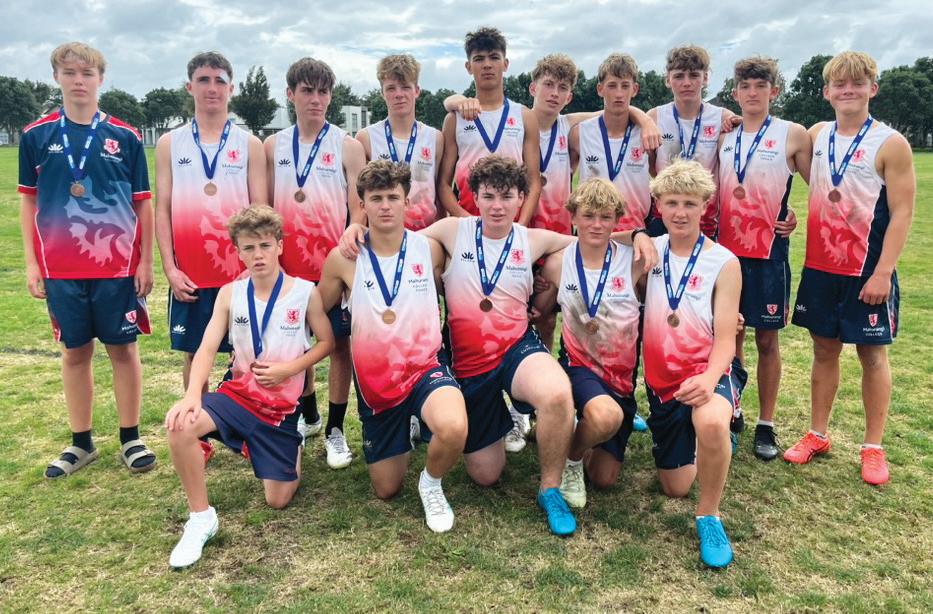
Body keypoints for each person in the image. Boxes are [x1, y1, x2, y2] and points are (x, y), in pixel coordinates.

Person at [341, 155, 656, 536]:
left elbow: (594, 236)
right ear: (474, 197)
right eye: (488, 196)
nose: (497, 206)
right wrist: (356, 228)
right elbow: (395, 239)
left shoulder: (533, 239)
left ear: (521, 198)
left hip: (516, 349)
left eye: (507, 196)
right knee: (486, 474)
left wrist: (637, 234)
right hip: (469, 365)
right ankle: (502, 420)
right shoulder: (451, 231)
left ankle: (551, 489)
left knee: (557, 393)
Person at [165, 206, 334, 569]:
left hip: (280, 412)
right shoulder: (230, 294)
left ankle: (287, 446)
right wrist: (192, 395)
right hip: (238, 397)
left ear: (279, 246)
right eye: (249, 248)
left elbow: (326, 342)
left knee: (278, 500)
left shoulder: (305, 293)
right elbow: (206, 347)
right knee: (180, 425)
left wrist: (290, 369)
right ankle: (201, 518)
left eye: (265, 245)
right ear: (238, 252)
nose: (258, 255)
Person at [19, 42, 156, 478]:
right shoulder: (36, 135)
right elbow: (28, 202)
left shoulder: (125, 136)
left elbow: (143, 203)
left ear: (101, 79)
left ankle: (131, 437)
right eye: (70, 72)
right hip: (61, 267)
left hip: (117, 266)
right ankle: (81, 443)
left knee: (124, 350)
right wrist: (32, 263)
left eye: (87, 73)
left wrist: (145, 262)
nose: (79, 81)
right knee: (75, 353)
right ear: (56, 77)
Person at [785, 51, 915, 486]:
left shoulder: (891, 143)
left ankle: (873, 447)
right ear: (827, 92)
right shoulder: (817, 134)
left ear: (872, 89)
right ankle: (818, 434)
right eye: (839, 84)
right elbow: (816, 184)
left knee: (872, 355)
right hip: (822, 267)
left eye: (857, 83)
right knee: (824, 351)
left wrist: (883, 272)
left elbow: (903, 212)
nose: (848, 91)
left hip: (867, 271)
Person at [318, 160, 468, 532]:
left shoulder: (430, 249)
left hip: (424, 368)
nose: (385, 206)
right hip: (377, 385)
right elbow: (316, 311)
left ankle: (431, 484)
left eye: (393, 197)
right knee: (386, 489)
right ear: (362, 205)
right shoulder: (343, 259)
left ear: (407, 202)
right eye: (376, 198)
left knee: (453, 427)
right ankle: (407, 424)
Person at [641, 160, 745, 568]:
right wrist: (635, 234)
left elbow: (726, 339)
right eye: (671, 203)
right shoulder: (649, 249)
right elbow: (598, 239)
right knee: (675, 486)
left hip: (708, 369)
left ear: (705, 205)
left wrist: (709, 377)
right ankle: (709, 442)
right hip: (663, 383)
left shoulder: (724, 262)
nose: (680, 212)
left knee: (711, 421)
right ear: (658, 206)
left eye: (689, 203)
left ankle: (709, 517)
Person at [263, 57, 366, 468]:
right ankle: (308, 416)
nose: (316, 99)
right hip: (288, 269)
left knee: (339, 346)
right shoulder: (272, 146)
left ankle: (336, 429)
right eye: (307, 91)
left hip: (332, 269)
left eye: (323, 91)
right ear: (291, 94)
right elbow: (265, 209)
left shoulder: (347, 146)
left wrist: (352, 228)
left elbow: (359, 208)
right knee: (294, 342)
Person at [716, 57, 811, 460]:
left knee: (767, 339)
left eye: (760, 86)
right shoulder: (725, 135)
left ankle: (766, 424)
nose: (752, 93)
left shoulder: (793, 134)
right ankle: (733, 409)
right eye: (745, 86)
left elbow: (820, 186)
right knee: (730, 334)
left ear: (774, 91)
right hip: (727, 254)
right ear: (735, 93)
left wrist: (795, 215)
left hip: (769, 254)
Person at [155, 51, 266, 394]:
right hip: (191, 274)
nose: (212, 88)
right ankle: (196, 421)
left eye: (220, 81)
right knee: (194, 355)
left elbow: (261, 212)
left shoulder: (250, 144)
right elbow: (162, 210)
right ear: (190, 86)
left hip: (239, 273)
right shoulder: (169, 143)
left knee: (247, 355)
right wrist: (170, 269)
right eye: (203, 80)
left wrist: (254, 268)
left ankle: (242, 418)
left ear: (231, 88)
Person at [533, 178, 647, 508]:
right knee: (605, 417)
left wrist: (640, 234)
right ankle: (570, 459)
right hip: (578, 367)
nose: (596, 224)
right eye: (588, 215)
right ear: (573, 217)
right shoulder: (558, 263)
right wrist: (536, 296)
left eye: (605, 217)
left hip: (621, 380)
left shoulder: (634, 261)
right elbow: (539, 311)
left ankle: (577, 433)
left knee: (604, 478)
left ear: (617, 221)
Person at [436, 26, 541, 224]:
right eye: (479, 59)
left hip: (512, 225)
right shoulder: (454, 119)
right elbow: (443, 185)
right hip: (469, 224)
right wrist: (470, 223)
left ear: (505, 64)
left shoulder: (525, 116)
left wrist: (520, 226)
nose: (487, 65)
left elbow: (534, 182)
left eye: (494, 57)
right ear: (468, 67)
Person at [647, 45, 738, 238]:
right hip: (663, 218)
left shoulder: (723, 118)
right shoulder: (654, 118)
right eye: (679, 76)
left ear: (705, 78)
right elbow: (650, 166)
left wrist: (784, 207)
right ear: (668, 79)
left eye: (694, 75)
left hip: (706, 219)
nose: (687, 83)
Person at [357, 54, 444, 231]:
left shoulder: (435, 138)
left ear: (416, 91)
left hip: (426, 235)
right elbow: (361, 195)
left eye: (405, 87)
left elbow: (439, 195)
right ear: (382, 93)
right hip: (383, 236)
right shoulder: (365, 138)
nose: (399, 95)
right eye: (391, 88)